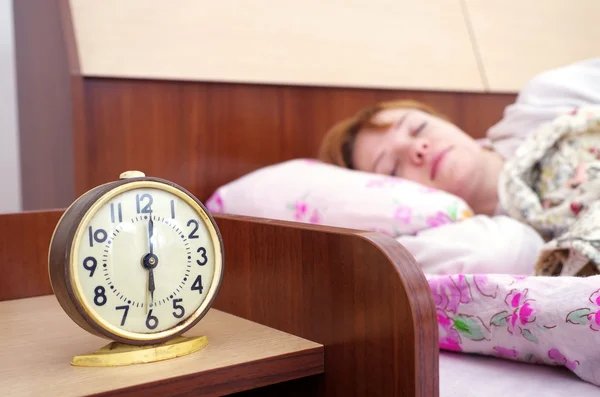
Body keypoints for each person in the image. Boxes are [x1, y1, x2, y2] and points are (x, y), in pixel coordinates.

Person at [317, 58, 600, 275]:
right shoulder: (491, 243)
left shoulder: (549, 99)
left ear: (445, 120)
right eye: (392, 167)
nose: (417, 148)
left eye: (418, 128)